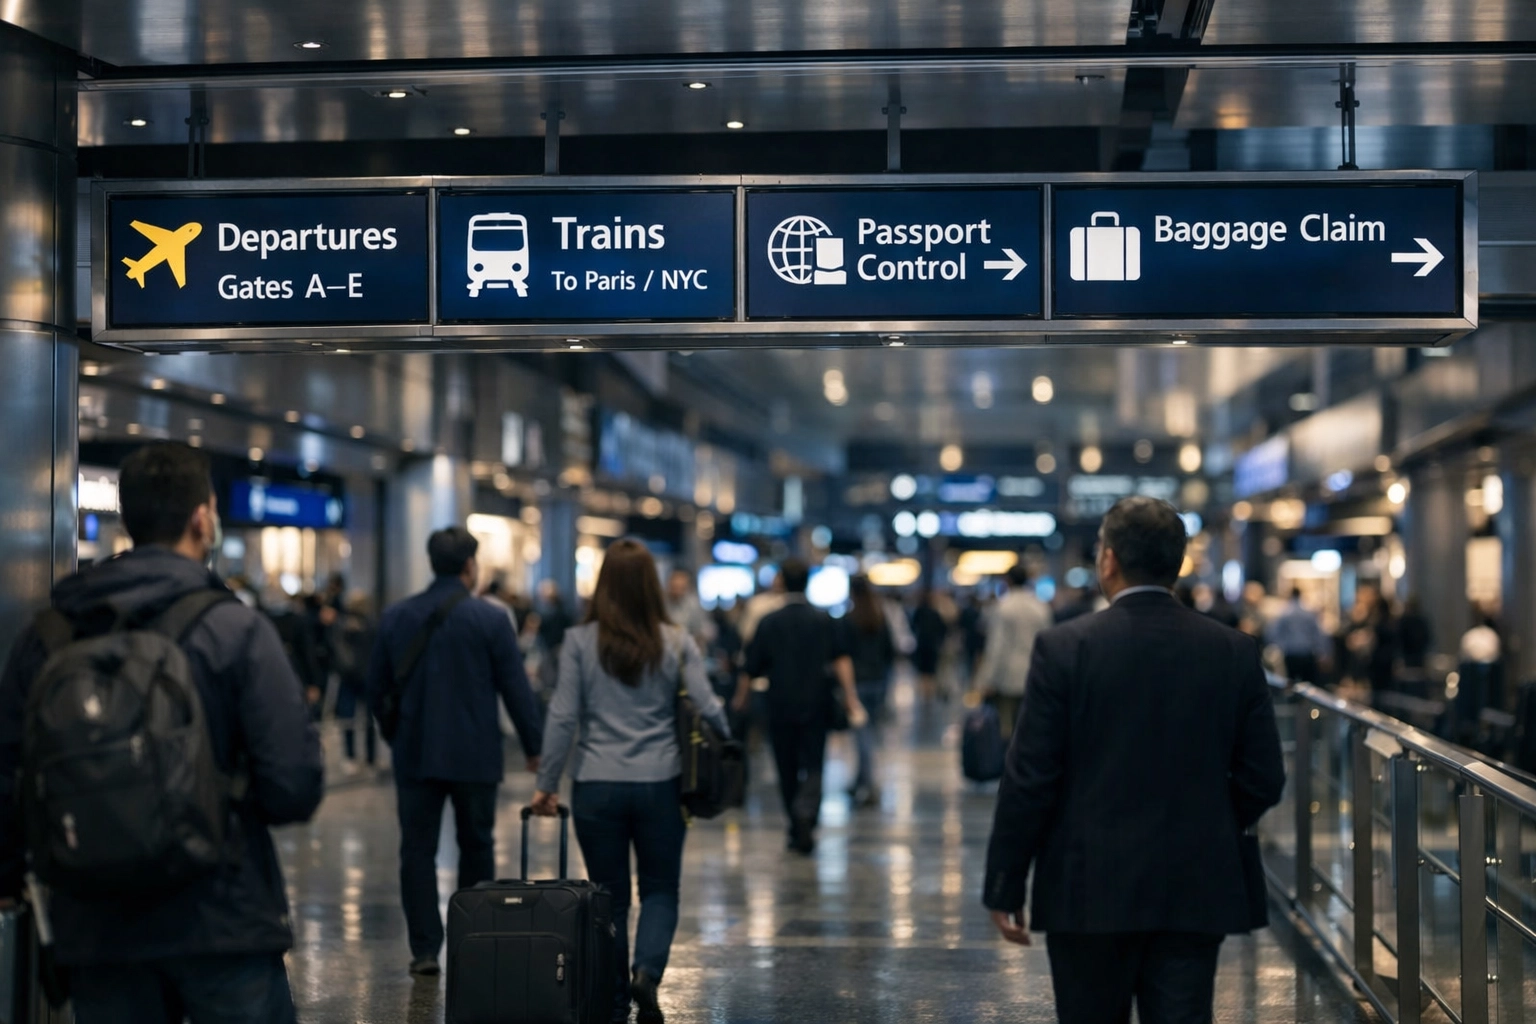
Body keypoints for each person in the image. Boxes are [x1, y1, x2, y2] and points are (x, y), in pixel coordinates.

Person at [0, 442, 324, 1023]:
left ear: (128, 519)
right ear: (203, 518)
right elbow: (293, 788)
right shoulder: (236, 630)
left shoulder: (49, 634)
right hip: (222, 919)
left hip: (96, 928)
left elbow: (7, 773)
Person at [983, 496, 1285, 1024]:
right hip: (1195, 883)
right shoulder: (1231, 650)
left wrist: (1007, 881)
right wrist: (1208, 821)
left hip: (1086, 885)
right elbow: (1264, 775)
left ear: (1109, 560)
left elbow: (1030, 777)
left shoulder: (1065, 647)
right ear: (1179, 563)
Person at [530, 539, 729, 1024]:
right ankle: (647, 971)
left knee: (608, 899)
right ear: (650, 585)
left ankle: (616, 1000)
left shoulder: (579, 642)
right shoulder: (676, 640)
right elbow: (709, 708)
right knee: (661, 889)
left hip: (597, 783)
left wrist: (547, 782)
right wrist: (728, 736)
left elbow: (562, 717)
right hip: (662, 783)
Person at [368, 527, 545, 976]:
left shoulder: (396, 616)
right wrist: (534, 748)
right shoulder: (490, 620)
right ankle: (472, 940)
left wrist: (395, 735)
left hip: (416, 753)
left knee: (417, 850)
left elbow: (376, 689)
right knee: (477, 845)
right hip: (475, 753)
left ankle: (425, 949)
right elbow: (516, 689)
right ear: (470, 566)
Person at [735, 559, 865, 854]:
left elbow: (751, 665)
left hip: (779, 703)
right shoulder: (824, 619)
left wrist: (741, 699)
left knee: (786, 765)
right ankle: (808, 814)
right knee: (815, 762)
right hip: (816, 702)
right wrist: (850, 695)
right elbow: (841, 659)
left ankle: (796, 823)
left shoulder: (769, 621)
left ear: (781, 581)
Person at [973, 563, 1054, 739]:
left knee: (1006, 730)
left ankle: (1007, 764)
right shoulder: (1040, 607)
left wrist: (986, 679)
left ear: (1007, 580)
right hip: (1035, 674)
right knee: (1030, 729)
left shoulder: (1003, 607)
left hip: (1007, 677)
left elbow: (997, 646)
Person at [839, 575, 897, 808]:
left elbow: (843, 655)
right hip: (878, 681)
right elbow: (890, 652)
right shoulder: (879, 616)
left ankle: (869, 785)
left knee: (862, 736)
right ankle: (859, 781)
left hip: (857, 684)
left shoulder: (848, 620)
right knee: (870, 732)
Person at [333, 592, 379, 775]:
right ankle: (365, 758)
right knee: (358, 719)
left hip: (353, 678)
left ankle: (358, 757)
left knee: (356, 719)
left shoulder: (362, 625)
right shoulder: (352, 625)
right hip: (359, 677)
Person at [1268, 588, 1329, 684]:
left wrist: (1281, 646)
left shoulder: (1284, 613)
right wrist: (1322, 651)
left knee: (1291, 683)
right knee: (1308, 684)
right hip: (1307, 653)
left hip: (1290, 653)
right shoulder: (1309, 613)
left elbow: (1273, 633)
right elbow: (1318, 634)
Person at [910, 588, 950, 702]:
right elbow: (943, 629)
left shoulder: (919, 612)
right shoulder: (935, 613)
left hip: (922, 644)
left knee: (923, 671)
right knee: (931, 671)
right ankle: (929, 695)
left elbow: (913, 626)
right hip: (932, 645)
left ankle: (925, 694)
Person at [664, 567, 715, 651]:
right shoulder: (662, 603)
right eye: (675, 587)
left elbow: (699, 631)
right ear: (669, 584)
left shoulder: (693, 605)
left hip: (687, 650)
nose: (678, 591)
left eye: (681, 587)